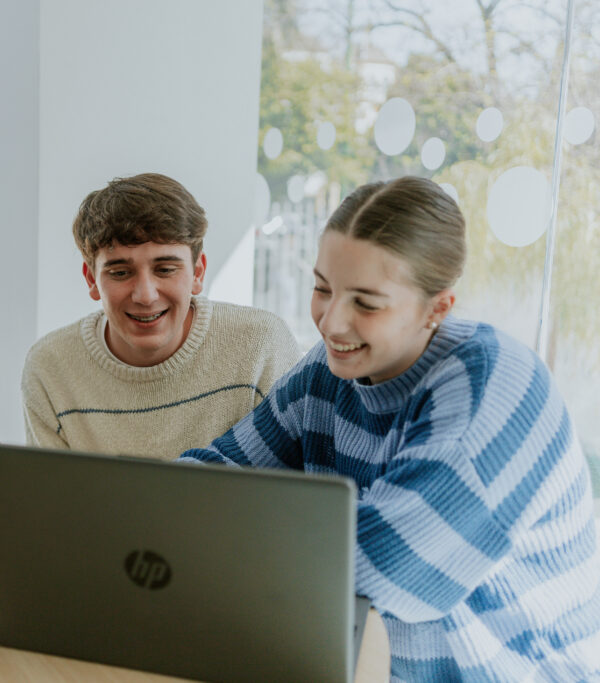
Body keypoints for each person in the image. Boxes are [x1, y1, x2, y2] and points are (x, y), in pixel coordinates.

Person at [180, 176, 600, 680]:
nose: (332, 323)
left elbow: (369, 572)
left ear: (437, 308)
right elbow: (202, 481)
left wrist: (202, 536)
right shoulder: (330, 371)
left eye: (366, 303)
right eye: (322, 288)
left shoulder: (494, 389)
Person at [21, 173, 298, 459]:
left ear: (198, 273)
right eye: (120, 273)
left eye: (165, 269)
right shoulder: (49, 367)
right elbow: (50, 501)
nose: (145, 295)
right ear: (91, 279)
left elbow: (295, 491)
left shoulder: (261, 346)